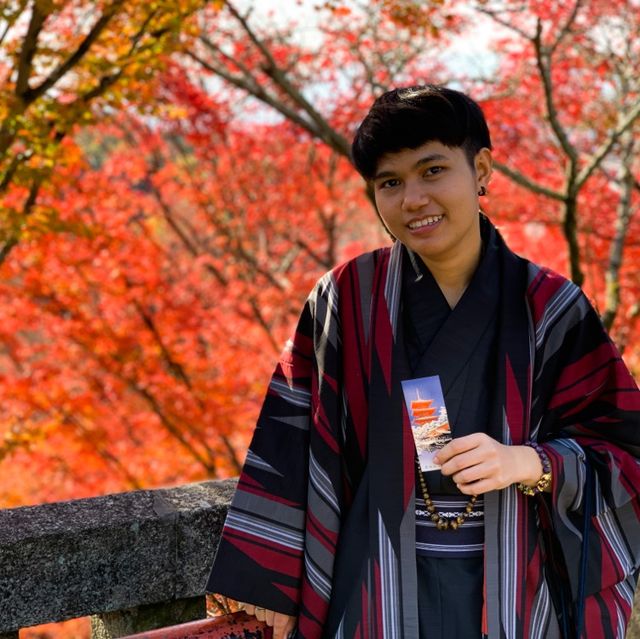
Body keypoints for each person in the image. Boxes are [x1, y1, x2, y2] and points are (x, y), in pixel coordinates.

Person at [207, 85, 640, 638]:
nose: (413, 199)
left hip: (516, 587)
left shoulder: (550, 307)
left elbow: (626, 448)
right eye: (390, 183)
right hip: (374, 585)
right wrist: (264, 578)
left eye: (432, 170)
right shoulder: (348, 298)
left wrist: (532, 463)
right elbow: (290, 436)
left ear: (481, 168)